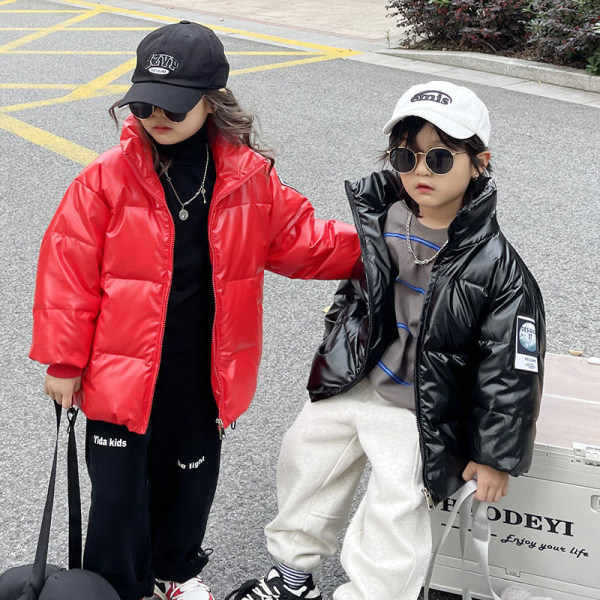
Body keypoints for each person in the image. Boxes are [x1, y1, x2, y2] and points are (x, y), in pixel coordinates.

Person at [29, 21, 360, 600]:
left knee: (189, 479)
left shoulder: (248, 179)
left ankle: (171, 576)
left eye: (175, 105)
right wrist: (63, 362)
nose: (158, 115)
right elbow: (67, 272)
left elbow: (304, 240)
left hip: (203, 370)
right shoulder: (104, 180)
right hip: (120, 369)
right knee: (118, 493)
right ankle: (114, 588)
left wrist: (392, 250)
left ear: (213, 99)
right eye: (146, 103)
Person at [227, 80, 546, 600]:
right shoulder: (381, 224)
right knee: (304, 459)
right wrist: (337, 347)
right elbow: (355, 299)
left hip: (422, 405)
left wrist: (494, 456)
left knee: (396, 505)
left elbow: (511, 368)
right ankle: (292, 577)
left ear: (479, 162)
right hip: (360, 380)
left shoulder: (499, 268)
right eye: (406, 156)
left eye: (440, 159)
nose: (421, 172)